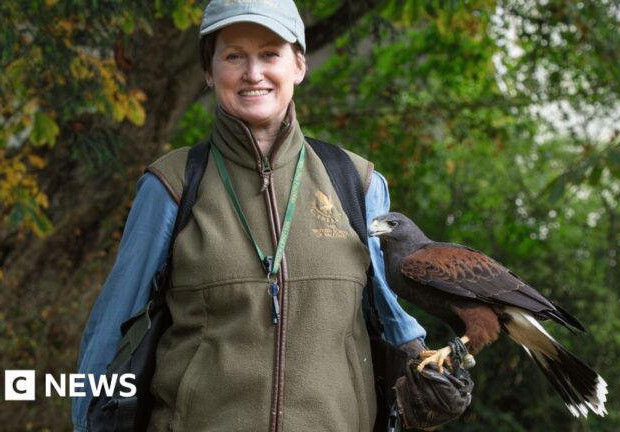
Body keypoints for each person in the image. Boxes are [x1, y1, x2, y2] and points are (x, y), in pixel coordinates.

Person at [73, 1, 431, 431]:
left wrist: (427, 372)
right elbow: (108, 337)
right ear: (209, 71)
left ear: (298, 64)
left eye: (269, 54)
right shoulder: (172, 184)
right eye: (234, 55)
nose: (253, 72)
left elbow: (392, 319)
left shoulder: (358, 184)